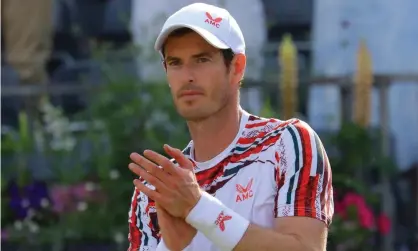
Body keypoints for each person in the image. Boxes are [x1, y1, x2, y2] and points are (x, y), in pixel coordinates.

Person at [127, 3, 334, 251]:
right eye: (175, 63)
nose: (188, 75)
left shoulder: (287, 143)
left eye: (202, 59)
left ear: (236, 68)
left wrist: (198, 208)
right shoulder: (155, 189)